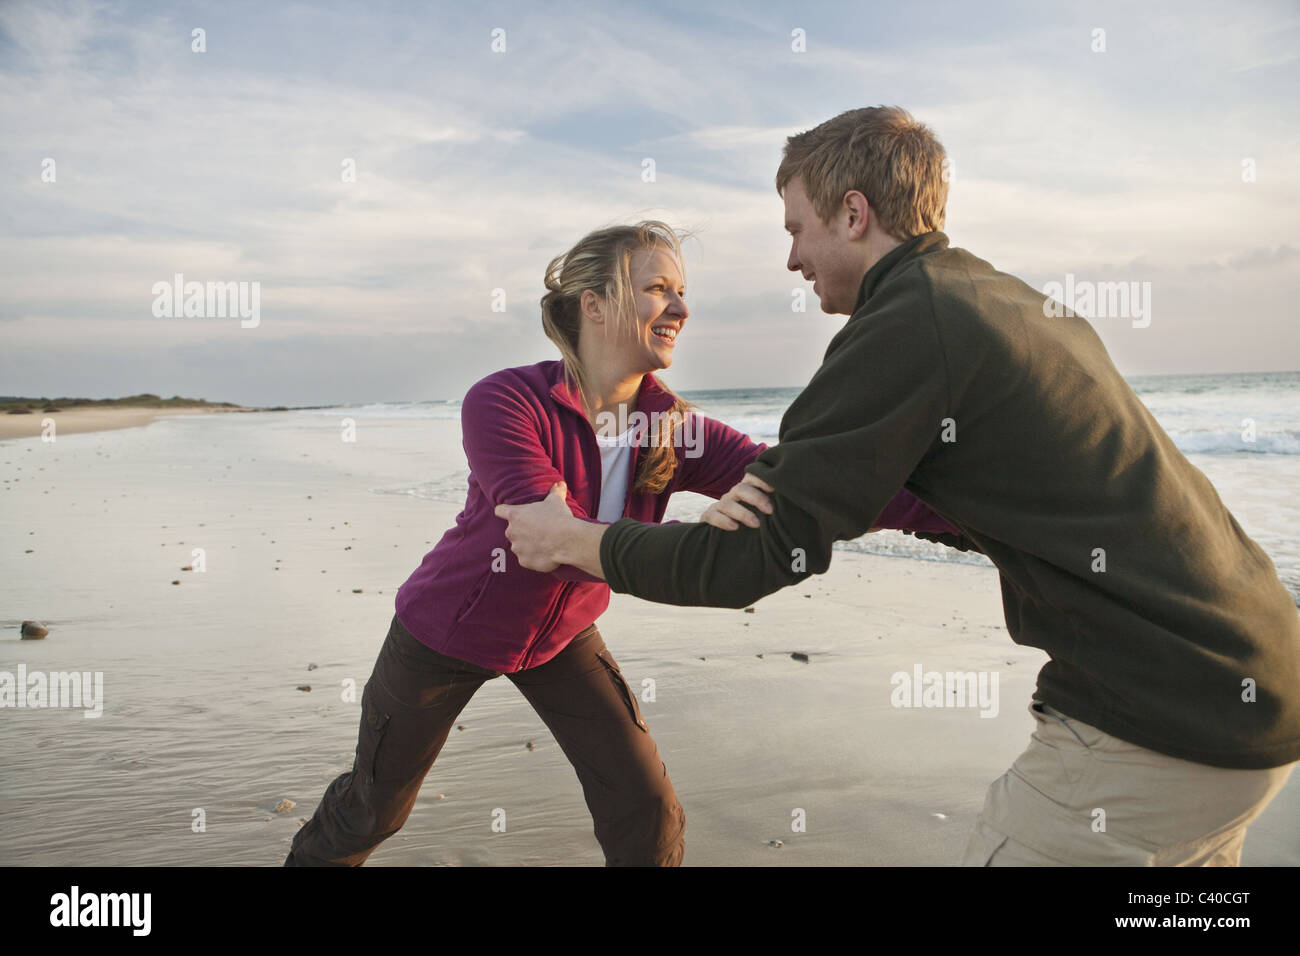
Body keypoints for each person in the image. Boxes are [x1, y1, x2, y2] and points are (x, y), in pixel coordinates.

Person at [494, 108, 1300, 866]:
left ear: (852, 214)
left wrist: (582, 543)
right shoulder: (1006, 300)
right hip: (1259, 674)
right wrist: (814, 497)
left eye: (797, 230)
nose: (792, 259)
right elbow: (970, 497)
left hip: (1159, 721)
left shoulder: (907, 327)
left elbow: (748, 561)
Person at [285, 219, 956, 866]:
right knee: (374, 811)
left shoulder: (673, 429)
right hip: (443, 634)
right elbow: (543, 538)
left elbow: (809, 488)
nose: (682, 307)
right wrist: (689, 546)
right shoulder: (505, 401)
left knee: (647, 810)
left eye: (682, 291)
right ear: (596, 304)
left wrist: (969, 518)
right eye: (659, 289)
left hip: (560, 637)